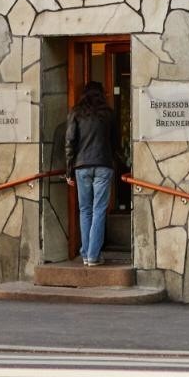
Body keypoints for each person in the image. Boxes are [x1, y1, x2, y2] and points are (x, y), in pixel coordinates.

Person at [64, 81, 119, 266]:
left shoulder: (76, 112)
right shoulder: (108, 113)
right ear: (102, 94)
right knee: (99, 210)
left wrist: (69, 170)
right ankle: (93, 255)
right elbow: (115, 143)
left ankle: (87, 254)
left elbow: (70, 142)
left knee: (85, 210)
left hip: (82, 166)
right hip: (103, 164)